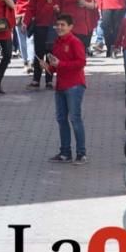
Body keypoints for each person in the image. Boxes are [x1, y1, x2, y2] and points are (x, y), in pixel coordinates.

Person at [44, 14, 87, 165]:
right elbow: (56, 65)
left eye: (63, 25)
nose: (59, 28)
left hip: (74, 85)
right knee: (62, 119)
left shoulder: (75, 42)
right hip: (61, 85)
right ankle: (65, 152)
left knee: (75, 119)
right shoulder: (57, 43)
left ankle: (81, 153)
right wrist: (48, 67)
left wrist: (59, 64)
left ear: (70, 27)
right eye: (58, 25)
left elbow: (81, 62)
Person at [8, 0, 36, 74]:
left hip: (32, 16)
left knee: (31, 40)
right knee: (22, 40)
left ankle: (31, 61)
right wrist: (12, 5)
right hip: (19, 15)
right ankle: (25, 61)